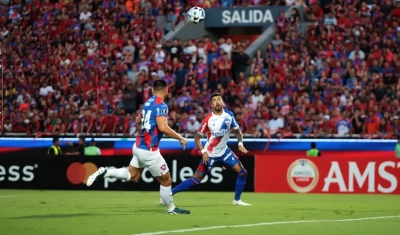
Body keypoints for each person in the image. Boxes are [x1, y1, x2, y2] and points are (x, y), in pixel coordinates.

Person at [86, 79, 190, 214]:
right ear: (167, 90)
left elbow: (137, 120)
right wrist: (180, 138)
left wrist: (143, 132)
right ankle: (171, 209)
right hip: (149, 151)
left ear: (152, 90)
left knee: (133, 176)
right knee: (166, 180)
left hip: (138, 146)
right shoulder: (161, 106)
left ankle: (107, 172)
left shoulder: (147, 103)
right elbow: (163, 128)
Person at [163, 92, 251, 206]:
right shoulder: (207, 120)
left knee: (243, 173)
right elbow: (197, 139)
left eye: (219, 99)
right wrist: (204, 152)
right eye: (214, 100)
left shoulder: (229, 115)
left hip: (225, 152)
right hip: (210, 154)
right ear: (211, 105)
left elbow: (238, 133)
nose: (217, 102)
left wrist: (240, 143)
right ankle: (169, 193)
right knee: (196, 180)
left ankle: (237, 200)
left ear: (222, 102)